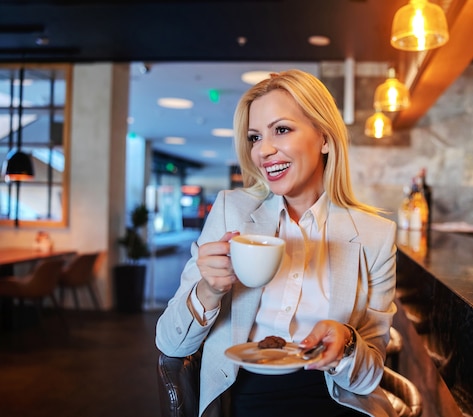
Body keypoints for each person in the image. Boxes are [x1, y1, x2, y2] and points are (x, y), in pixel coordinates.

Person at [155, 69, 398, 417]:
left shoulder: (374, 235)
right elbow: (169, 344)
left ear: (325, 138)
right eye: (254, 137)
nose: (263, 151)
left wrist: (345, 341)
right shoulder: (231, 212)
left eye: (281, 130)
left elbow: (369, 377)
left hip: (337, 401)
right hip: (246, 400)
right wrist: (208, 290)